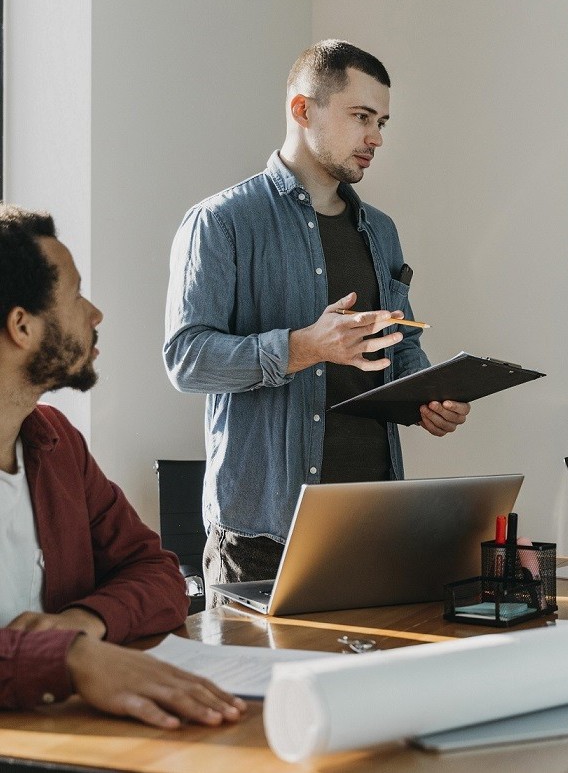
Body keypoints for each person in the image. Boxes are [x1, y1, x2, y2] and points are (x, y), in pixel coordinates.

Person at [164, 40, 469, 596]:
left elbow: (397, 345)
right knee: (261, 686)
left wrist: (426, 394)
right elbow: (186, 360)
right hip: (262, 537)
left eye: (381, 121)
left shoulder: (381, 231)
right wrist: (304, 346)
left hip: (372, 519)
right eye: (360, 117)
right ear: (303, 110)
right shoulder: (222, 221)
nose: (375, 137)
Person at [0, 205, 245, 728]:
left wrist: (82, 623)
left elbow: (157, 574)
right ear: (21, 326)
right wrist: (67, 658)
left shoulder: (57, 444)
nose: (95, 314)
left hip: (68, 738)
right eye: (74, 295)